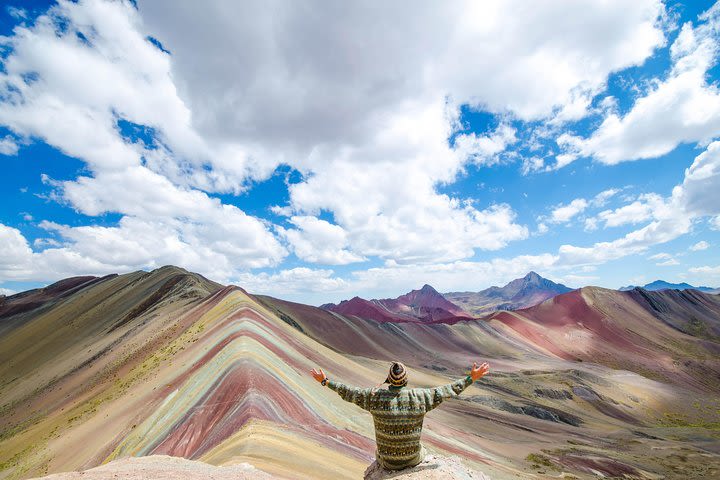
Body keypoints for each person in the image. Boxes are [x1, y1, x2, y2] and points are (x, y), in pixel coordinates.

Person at [310, 361, 490, 471]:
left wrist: (325, 381)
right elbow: (447, 391)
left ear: (388, 380)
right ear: (406, 380)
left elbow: (349, 391)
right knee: (423, 449)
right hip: (413, 459)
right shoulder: (420, 397)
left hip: (387, 462)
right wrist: (470, 378)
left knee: (378, 452)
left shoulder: (374, 398)